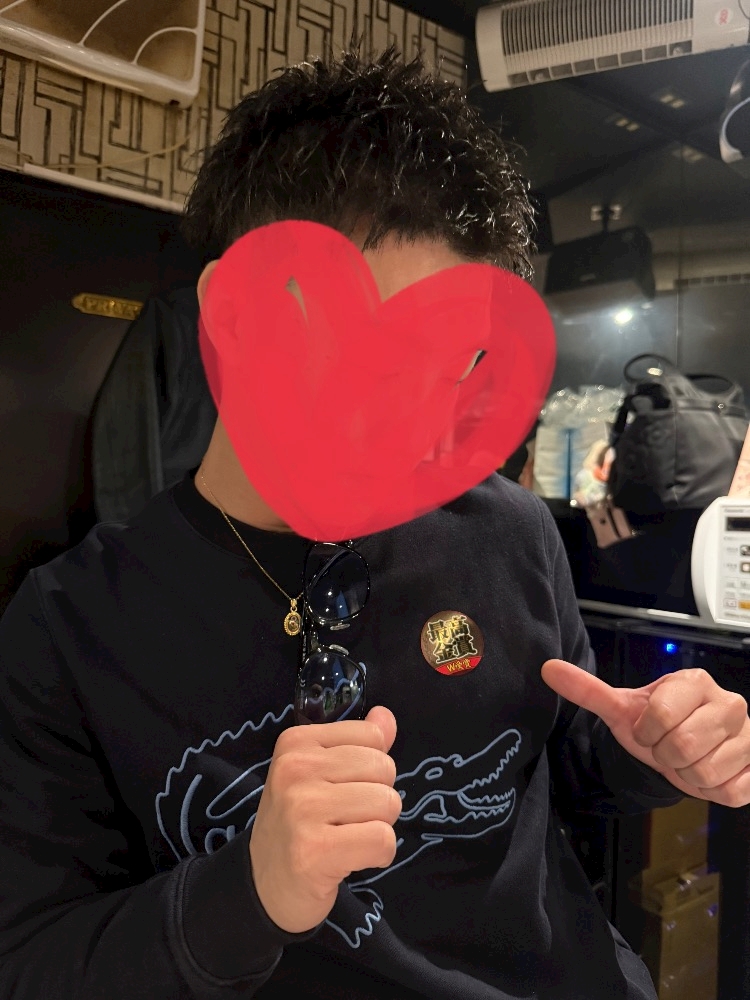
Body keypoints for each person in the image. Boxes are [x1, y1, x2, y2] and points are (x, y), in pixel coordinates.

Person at [1, 47, 749, 1000]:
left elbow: (560, 766)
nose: (413, 418)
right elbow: (28, 959)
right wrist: (248, 894)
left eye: (453, 362)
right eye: (361, 353)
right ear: (234, 312)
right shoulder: (70, 628)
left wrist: (650, 752)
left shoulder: (512, 532)